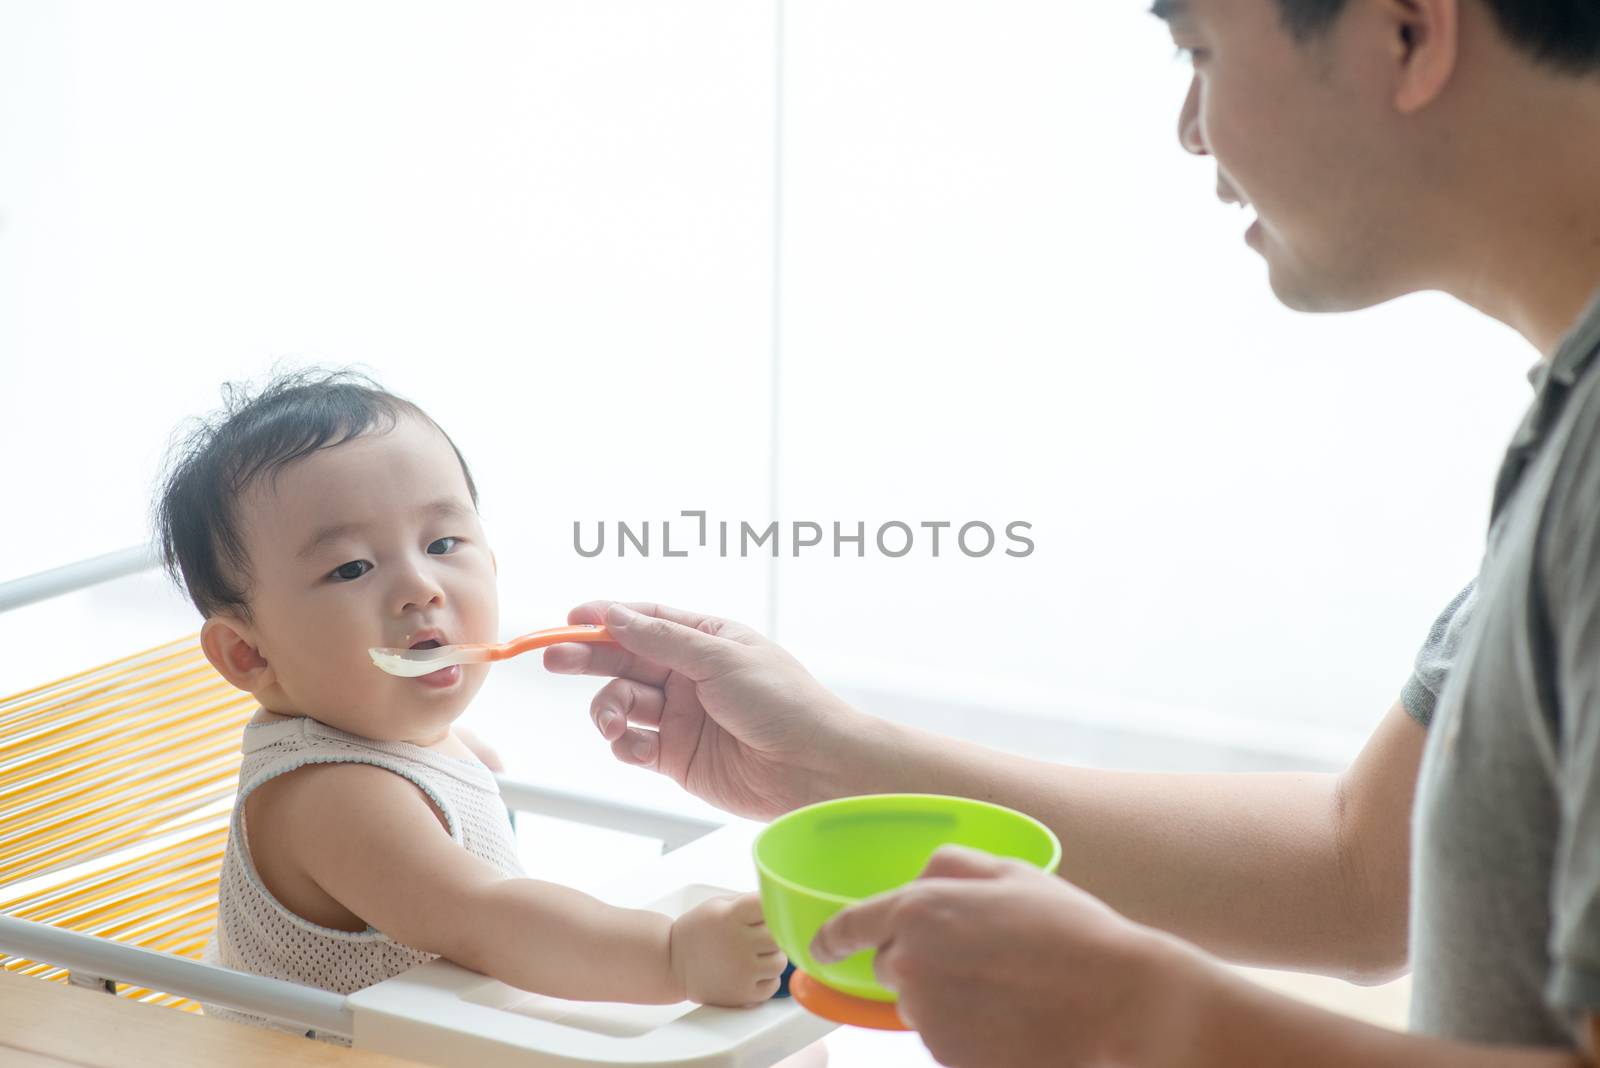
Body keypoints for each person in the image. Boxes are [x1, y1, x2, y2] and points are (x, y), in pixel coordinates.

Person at [544, 0, 1600, 1063]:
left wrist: (1143, 1015)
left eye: (1200, 51)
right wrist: (831, 763)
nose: (1191, 125)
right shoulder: (1570, 423)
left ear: (1406, 33)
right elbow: (1365, 875)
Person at [154, 371, 791, 1041]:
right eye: (351, 569)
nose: (420, 587)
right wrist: (672, 957)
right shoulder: (328, 796)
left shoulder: (407, 743)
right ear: (249, 655)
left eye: (441, 544)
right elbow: (488, 916)